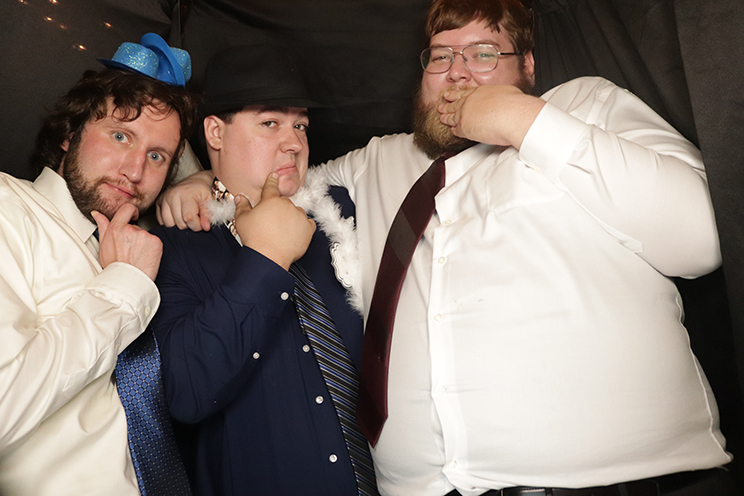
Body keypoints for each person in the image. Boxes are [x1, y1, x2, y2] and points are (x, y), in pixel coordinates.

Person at [157, 0, 737, 494]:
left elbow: (704, 240)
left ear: (528, 65)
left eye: (484, 53)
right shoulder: (378, 162)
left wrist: (523, 120)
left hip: (621, 482)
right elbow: (277, 182)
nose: (458, 72)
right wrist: (200, 180)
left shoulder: (588, 107)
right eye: (441, 56)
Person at [148, 45, 377, 496]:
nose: (294, 142)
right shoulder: (172, 246)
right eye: (270, 123)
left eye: (300, 125)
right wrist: (265, 258)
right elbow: (185, 393)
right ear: (215, 132)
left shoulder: (346, 210)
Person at [0, 35, 198, 496]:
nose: (135, 171)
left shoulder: (134, 243)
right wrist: (123, 287)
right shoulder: (8, 208)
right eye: (120, 136)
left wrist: (202, 179)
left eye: (156, 156)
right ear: (69, 134)